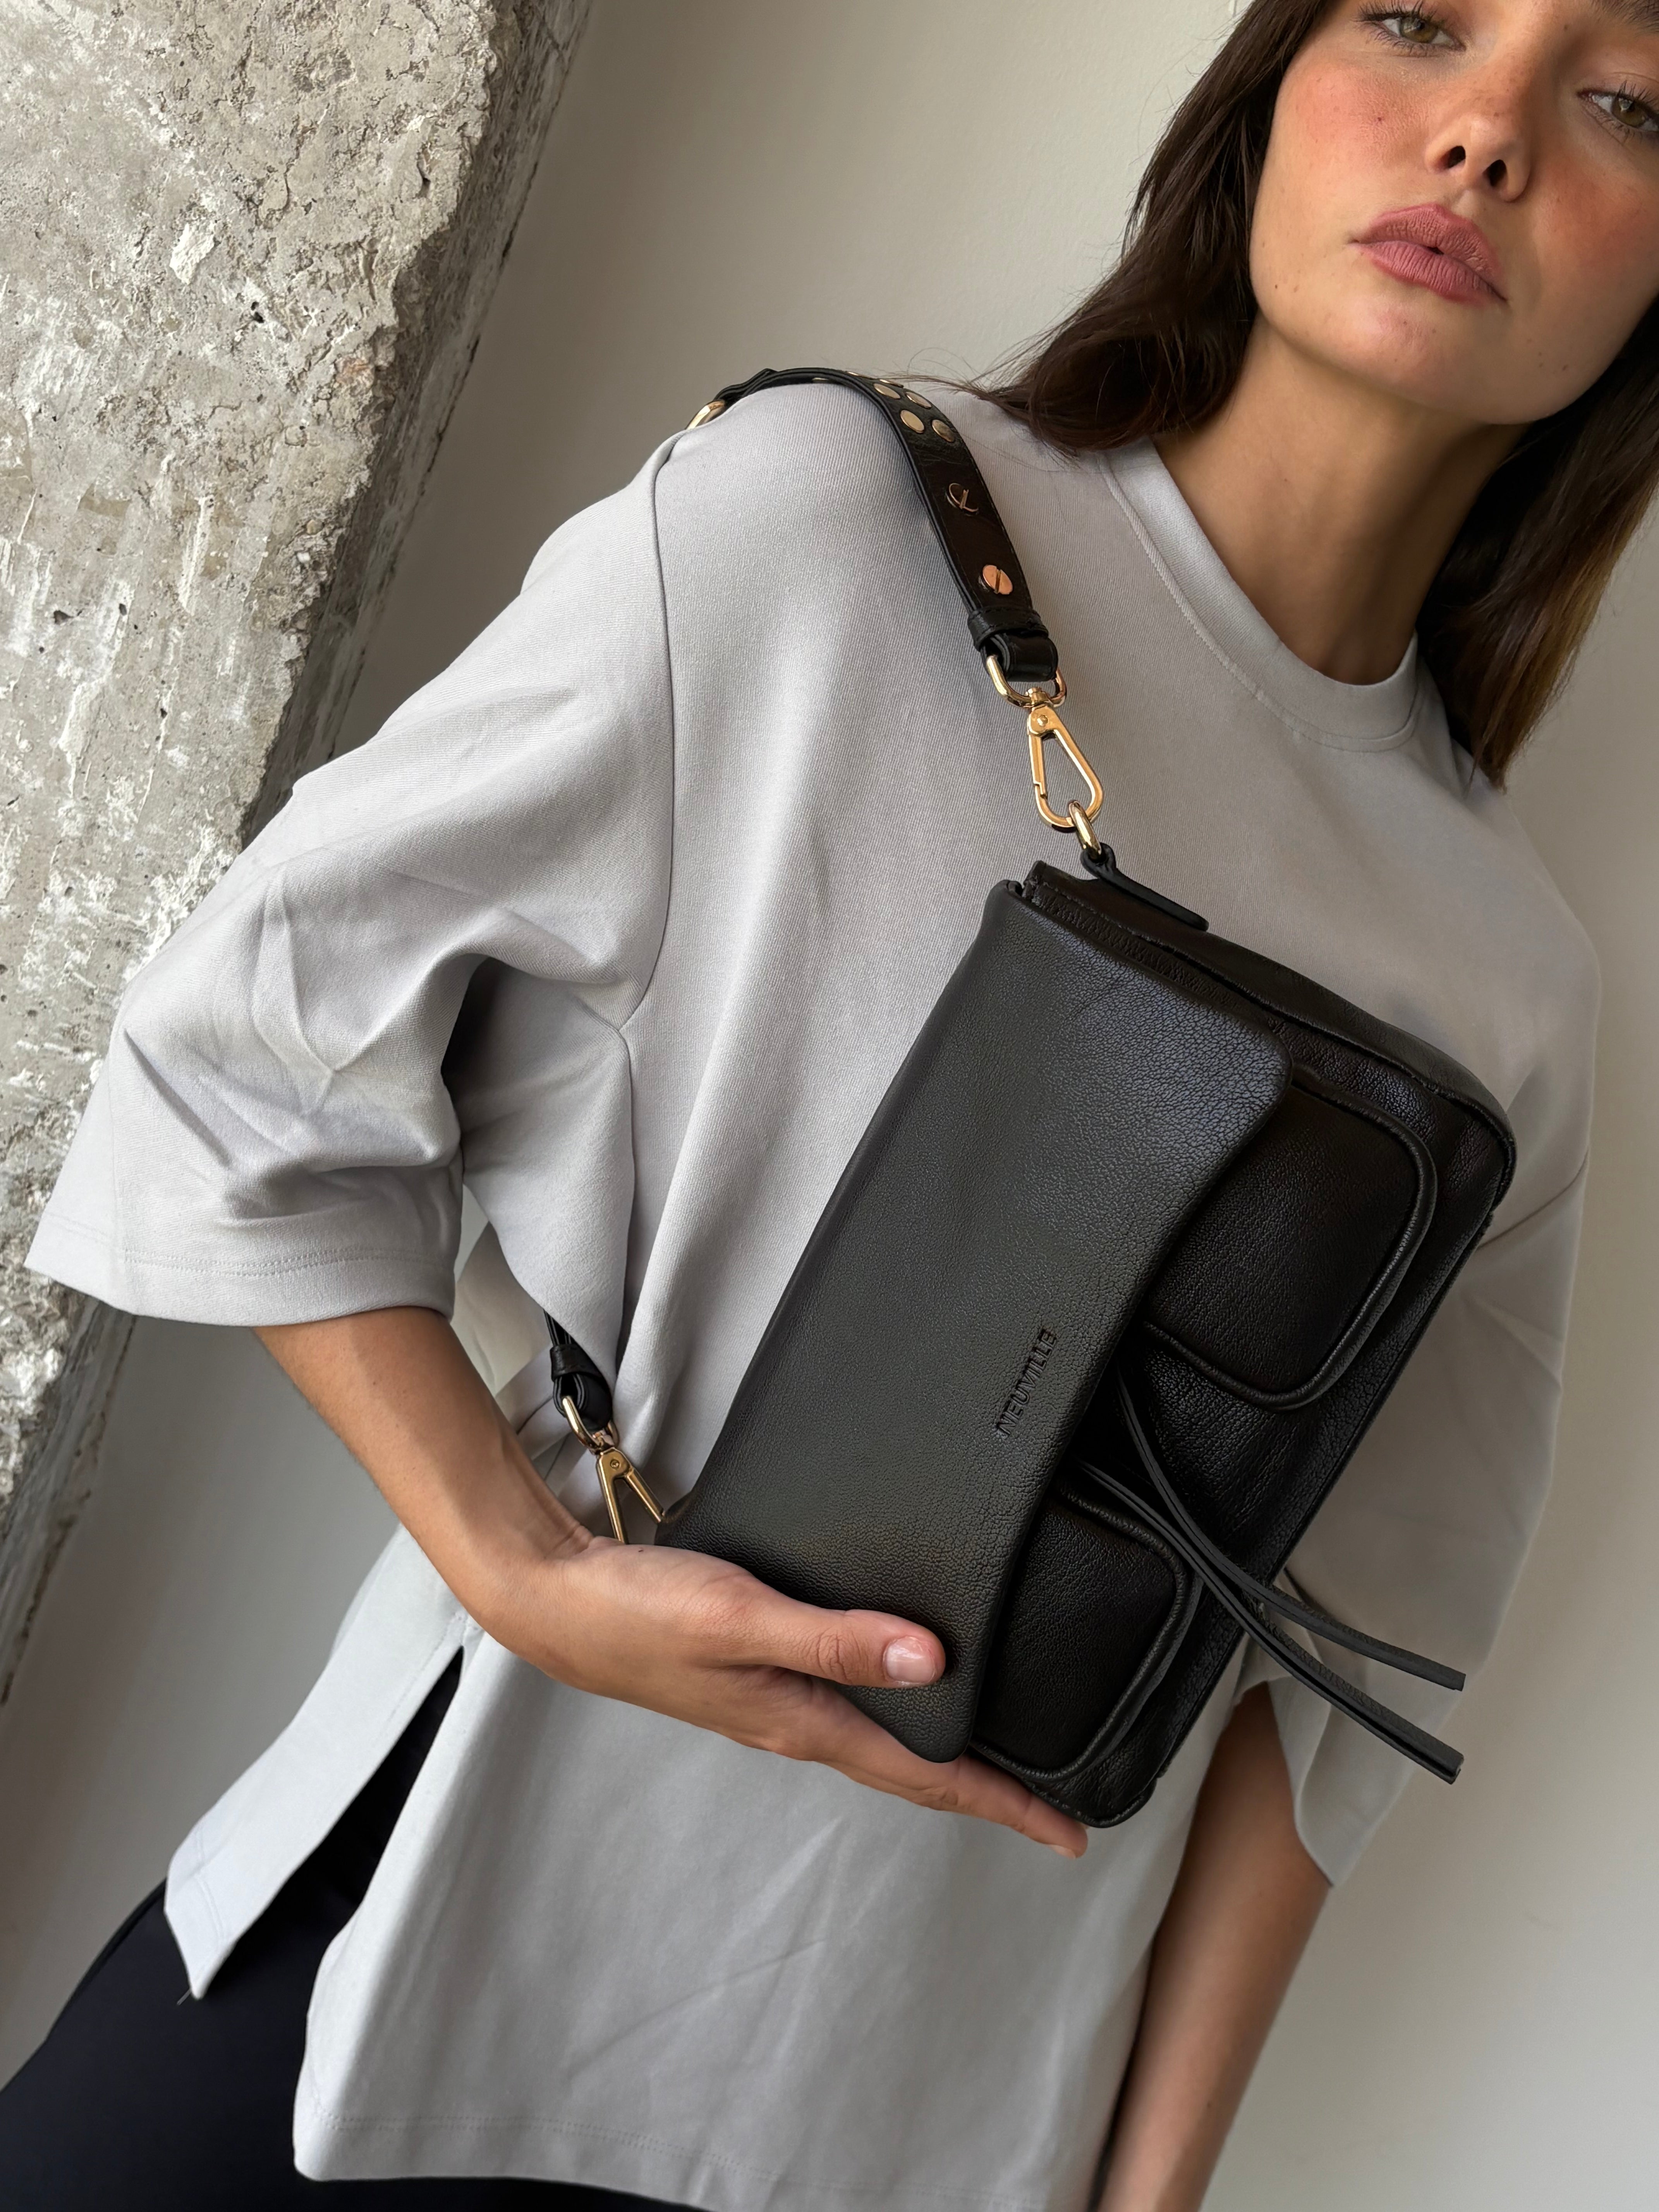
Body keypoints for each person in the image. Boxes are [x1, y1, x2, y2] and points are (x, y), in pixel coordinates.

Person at [0, 0, 1643, 2200]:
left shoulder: (1510, 974)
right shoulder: (835, 528)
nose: (1483, 139)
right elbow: (251, 1041)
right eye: (1422, 22)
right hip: (405, 1983)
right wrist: (515, 1570)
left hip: (911, 2132)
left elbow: (1347, 1684)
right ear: (1262, 90)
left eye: (1626, 97)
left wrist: (1138, 2198)